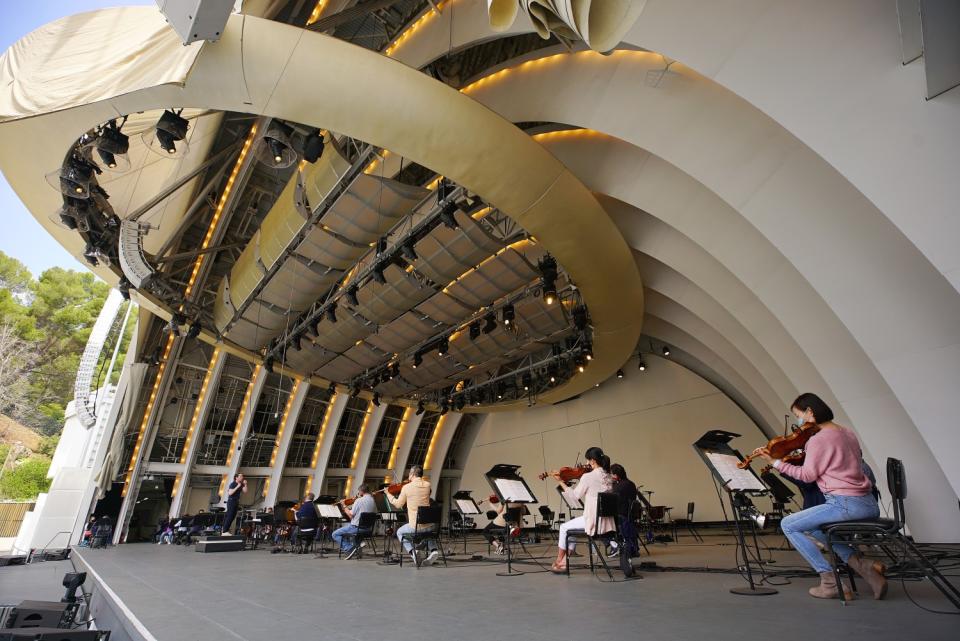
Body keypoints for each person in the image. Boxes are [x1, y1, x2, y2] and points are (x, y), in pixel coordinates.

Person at [753, 393, 887, 600]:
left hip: (845, 503)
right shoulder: (848, 432)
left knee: (788, 524)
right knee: (814, 527)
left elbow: (807, 476)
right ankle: (865, 567)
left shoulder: (818, 440)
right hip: (868, 504)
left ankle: (830, 582)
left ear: (810, 412)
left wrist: (776, 463)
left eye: (799, 416)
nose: (799, 424)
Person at [550, 447, 616, 573]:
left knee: (564, 527)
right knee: (571, 529)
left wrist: (561, 482)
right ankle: (564, 563)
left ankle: (559, 561)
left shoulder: (587, 476)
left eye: (587, 460)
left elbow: (575, 496)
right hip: (608, 524)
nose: (585, 464)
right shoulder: (609, 477)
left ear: (592, 461)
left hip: (594, 523)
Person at [387, 465, 438, 566]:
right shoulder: (427, 485)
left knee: (400, 532)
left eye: (410, 473)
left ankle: (413, 553)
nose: (409, 475)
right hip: (430, 526)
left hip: (416, 527)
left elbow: (398, 504)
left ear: (413, 474)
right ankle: (434, 550)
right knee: (427, 529)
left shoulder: (407, 487)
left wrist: (388, 494)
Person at [332, 485, 377, 559]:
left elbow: (350, 515)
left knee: (335, 534)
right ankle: (357, 548)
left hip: (356, 528)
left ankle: (350, 548)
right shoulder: (373, 501)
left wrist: (344, 505)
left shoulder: (359, 500)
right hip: (368, 529)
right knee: (348, 529)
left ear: (361, 491)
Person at [608, 464, 639, 558]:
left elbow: (612, 498)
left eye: (611, 474)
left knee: (603, 522)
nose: (610, 476)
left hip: (623, 515)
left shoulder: (620, 486)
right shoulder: (629, 483)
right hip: (628, 515)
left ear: (616, 475)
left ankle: (615, 546)